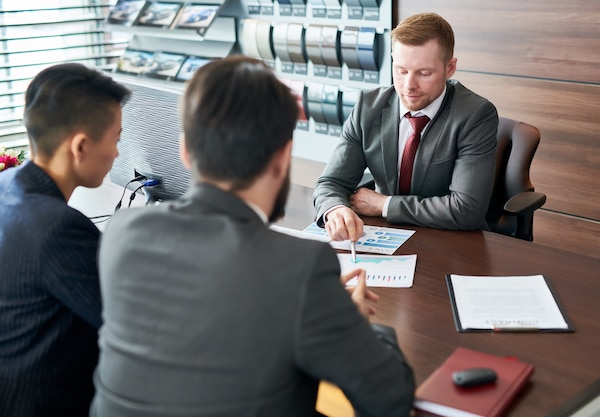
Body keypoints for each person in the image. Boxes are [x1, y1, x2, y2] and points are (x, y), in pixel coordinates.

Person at [92, 55, 415, 417]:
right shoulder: (301, 268)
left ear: (184, 151)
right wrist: (350, 322)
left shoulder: (120, 233)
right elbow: (389, 400)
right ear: (283, 157)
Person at [0, 63, 131, 416]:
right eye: (116, 139)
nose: (117, 154)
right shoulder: (57, 228)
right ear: (81, 146)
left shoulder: (7, 185)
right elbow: (127, 327)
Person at [313, 12, 498, 242]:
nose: (409, 86)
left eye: (424, 73)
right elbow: (330, 183)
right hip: (385, 237)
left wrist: (384, 204)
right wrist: (335, 210)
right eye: (401, 71)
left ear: (450, 68)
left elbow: (466, 209)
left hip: (451, 243)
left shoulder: (475, 115)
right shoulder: (367, 107)